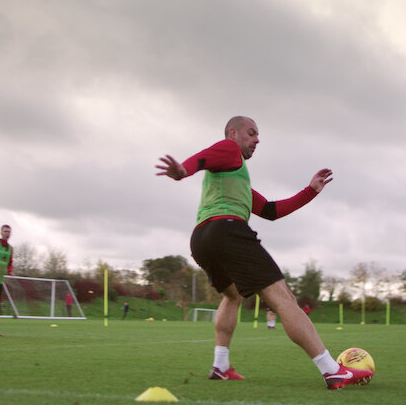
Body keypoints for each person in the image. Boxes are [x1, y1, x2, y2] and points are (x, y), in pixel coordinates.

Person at [156, 116, 372, 390]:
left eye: (257, 135)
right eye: (251, 133)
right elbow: (203, 158)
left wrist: (310, 191)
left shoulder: (236, 179)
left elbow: (271, 211)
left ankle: (220, 366)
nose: (257, 139)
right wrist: (182, 171)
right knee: (285, 299)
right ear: (233, 133)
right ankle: (332, 370)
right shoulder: (229, 149)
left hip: (201, 239)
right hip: (227, 230)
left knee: (233, 295)